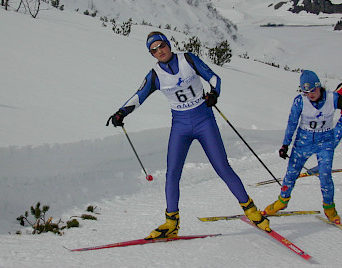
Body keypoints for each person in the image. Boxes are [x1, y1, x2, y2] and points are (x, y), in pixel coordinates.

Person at [107, 31, 270, 238]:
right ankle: (171, 222)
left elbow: (214, 78)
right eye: (154, 50)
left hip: (204, 121)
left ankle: (252, 211)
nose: (159, 51)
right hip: (180, 126)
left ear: (168, 45)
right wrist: (121, 112)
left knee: (222, 167)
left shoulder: (188, 59)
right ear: (151, 54)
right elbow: (138, 96)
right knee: (172, 173)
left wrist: (214, 93)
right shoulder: (155, 75)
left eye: (161, 46)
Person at [263, 70, 342, 225]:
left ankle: (330, 209)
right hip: (303, 142)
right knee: (291, 174)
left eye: (313, 90)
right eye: (306, 92)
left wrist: (337, 132)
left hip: (325, 142)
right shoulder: (300, 101)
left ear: (319, 87)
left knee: (325, 175)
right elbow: (292, 123)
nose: (310, 94)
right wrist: (285, 144)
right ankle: (282, 201)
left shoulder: (333, 98)